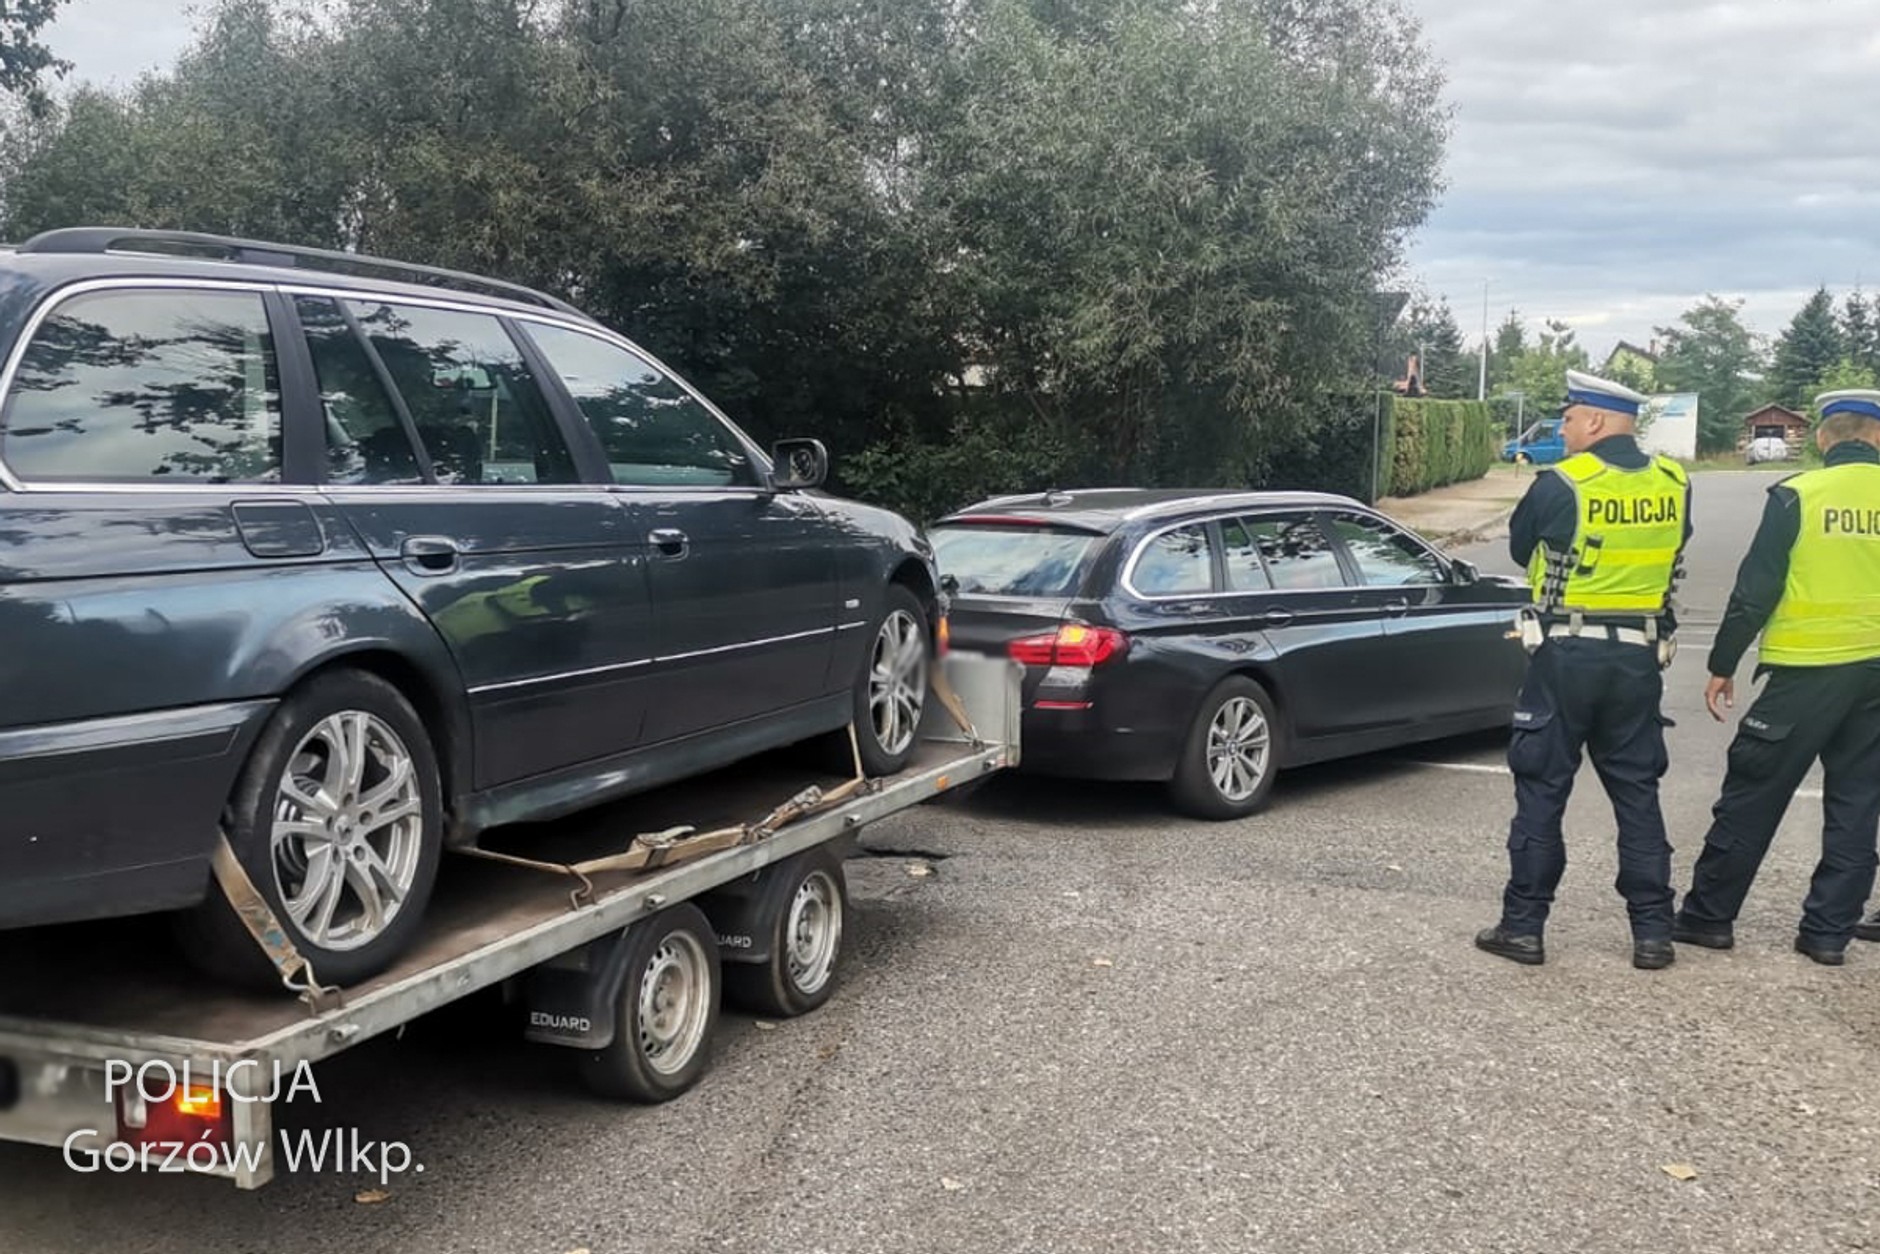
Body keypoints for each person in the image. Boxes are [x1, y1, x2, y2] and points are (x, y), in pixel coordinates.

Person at [1475, 369, 1692, 970]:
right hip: (1638, 658)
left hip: (1566, 654)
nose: (1564, 429)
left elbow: (1522, 549)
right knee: (1637, 794)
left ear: (1595, 421)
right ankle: (1653, 934)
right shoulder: (1675, 482)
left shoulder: (1563, 483)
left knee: (1543, 790)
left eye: (1569, 418)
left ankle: (1523, 928)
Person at [1673, 389, 1880, 965]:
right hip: (1877, 677)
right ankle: (1827, 934)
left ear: (1821, 437)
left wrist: (1722, 664)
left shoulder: (1797, 494)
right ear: (1879, 437)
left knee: (1754, 795)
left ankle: (1709, 917)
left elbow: (1755, 590)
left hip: (1805, 674)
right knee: (1858, 802)